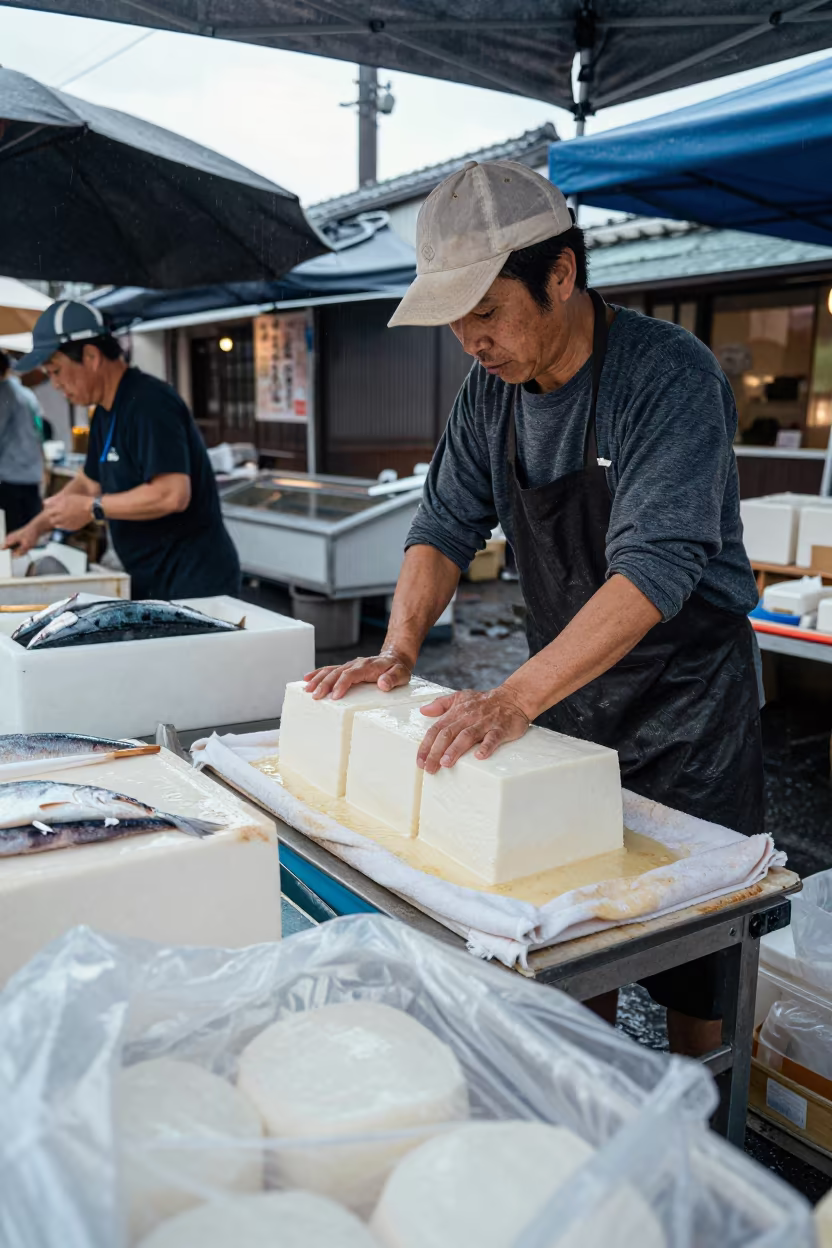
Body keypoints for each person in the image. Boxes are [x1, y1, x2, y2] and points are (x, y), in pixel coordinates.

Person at [304, 161, 764, 1056]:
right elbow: (442, 525)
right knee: (560, 939)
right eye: (455, 319)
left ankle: (705, 1127)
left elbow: (654, 571)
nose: (470, 340)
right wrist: (397, 651)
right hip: (568, 702)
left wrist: (511, 698)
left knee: (695, 959)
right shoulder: (490, 393)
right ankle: (574, 1107)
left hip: (687, 711)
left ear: (560, 275)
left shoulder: (667, 377)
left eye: (486, 310)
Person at [5, 300, 241, 600]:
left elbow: (172, 494)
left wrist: (92, 509)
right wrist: (35, 528)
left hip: (193, 581)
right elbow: (89, 482)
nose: (55, 384)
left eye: (56, 371)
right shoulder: (104, 411)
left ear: (91, 356)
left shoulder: (150, 403)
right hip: (148, 578)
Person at [0, 348, 43, 531]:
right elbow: (39, 430)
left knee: (13, 539)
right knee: (29, 536)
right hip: (32, 475)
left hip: (10, 478)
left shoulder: (3, 394)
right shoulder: (27, 393)